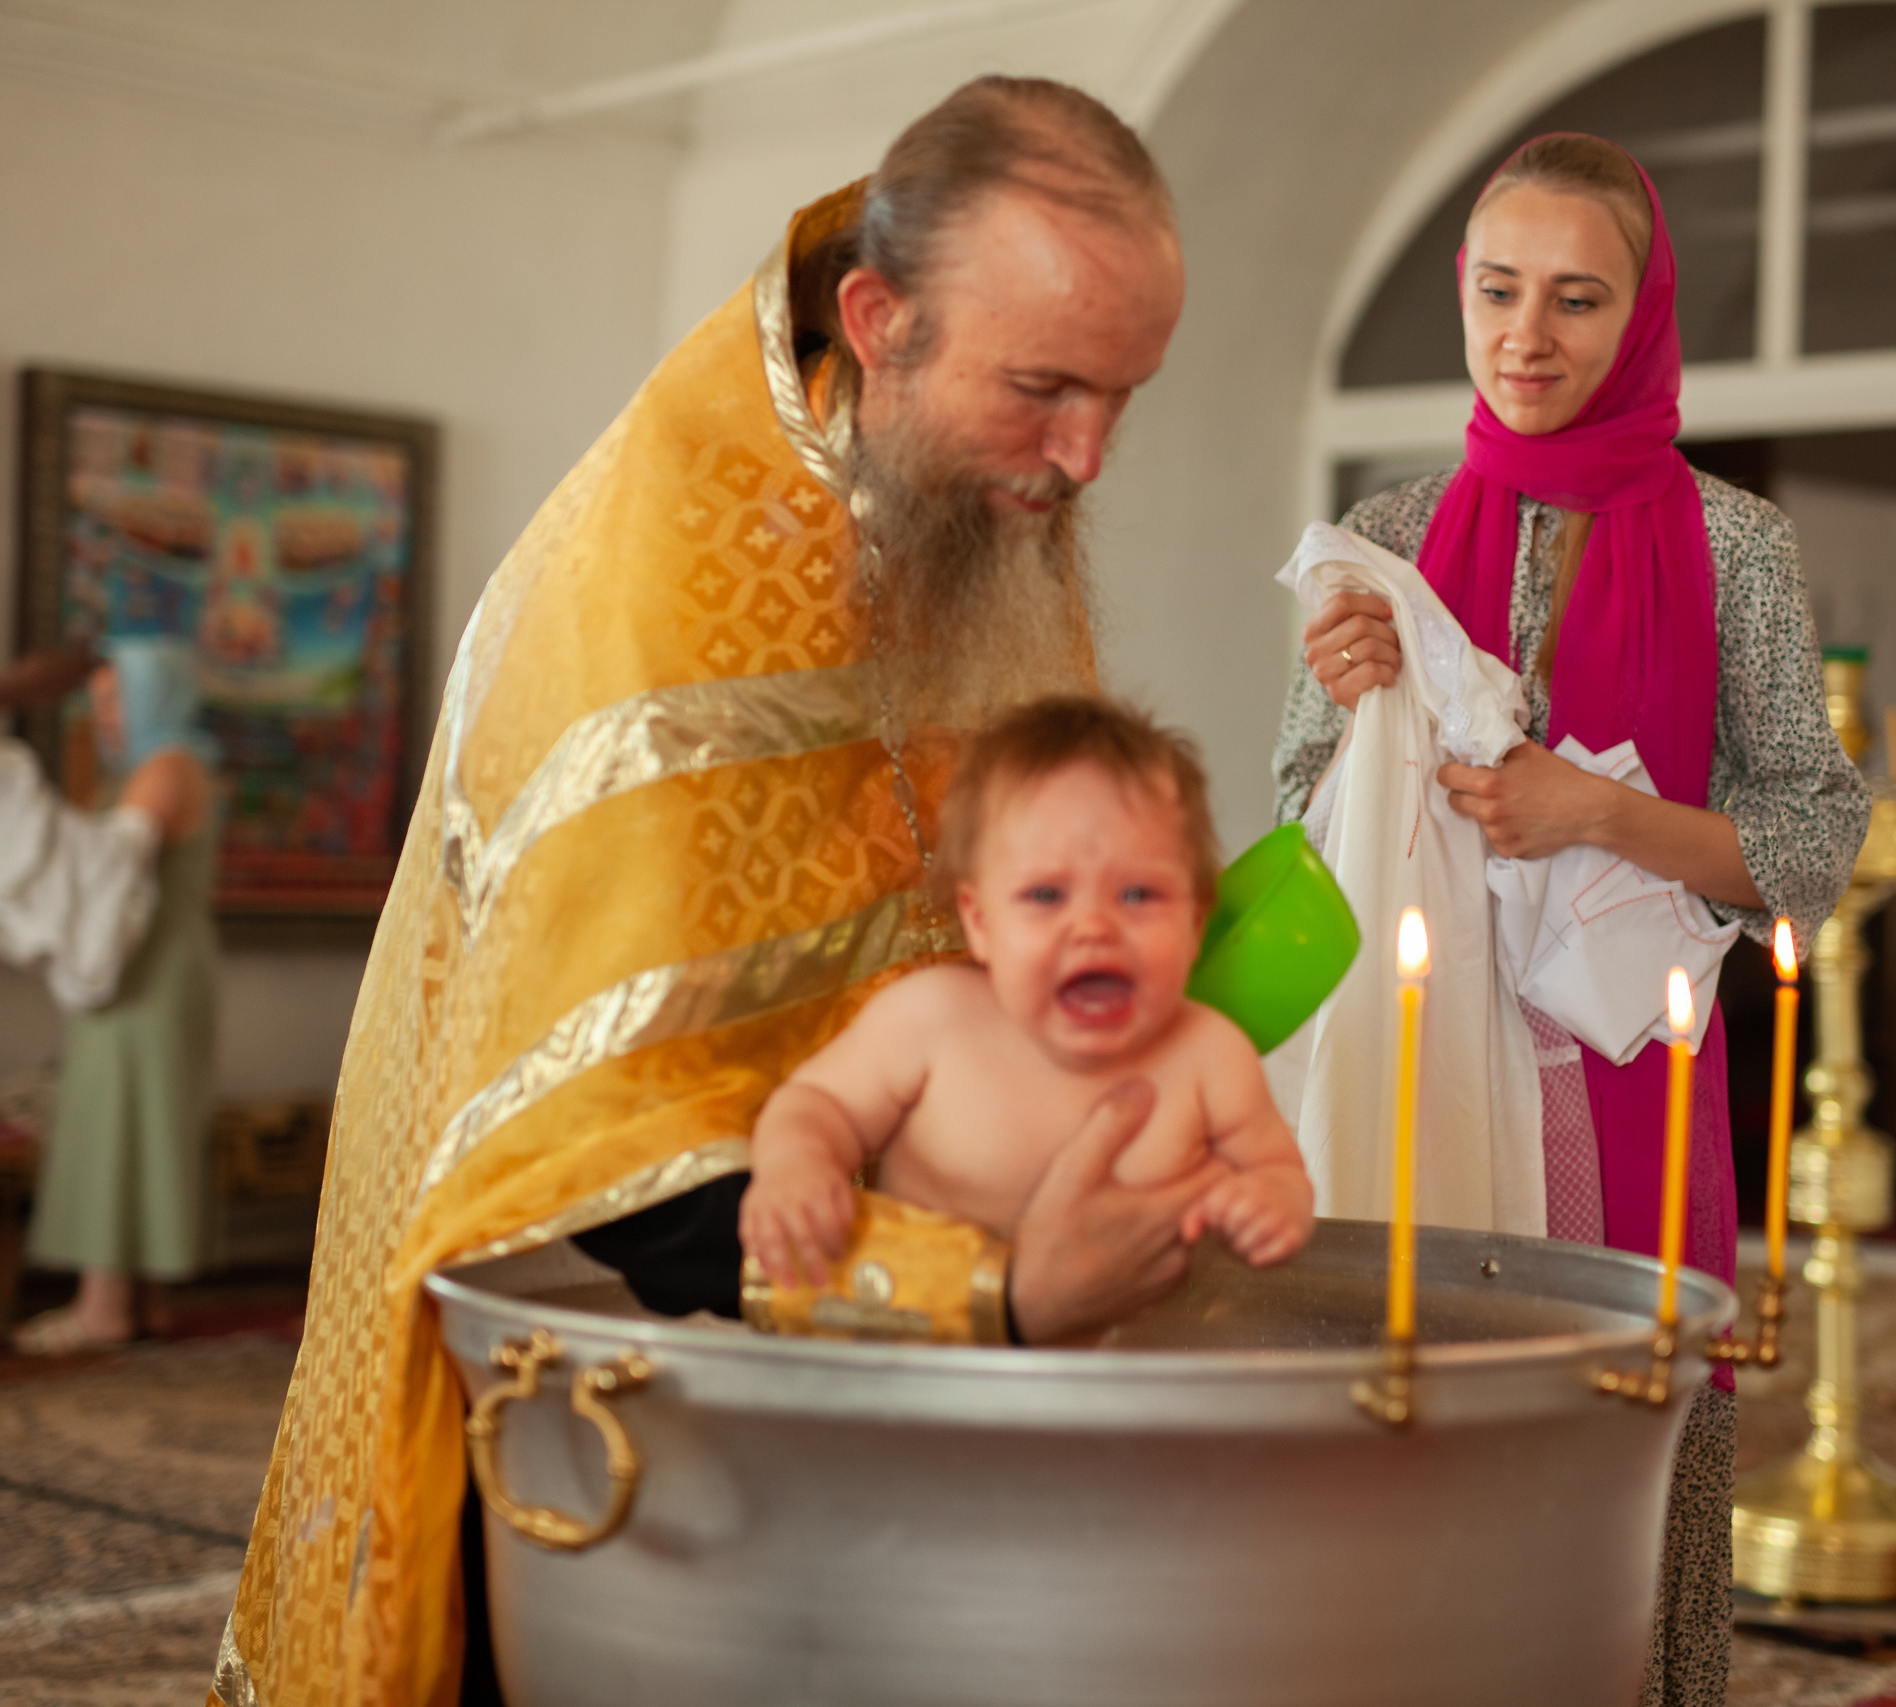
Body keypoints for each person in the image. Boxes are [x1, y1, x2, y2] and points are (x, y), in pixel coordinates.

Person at [218, 78, 1200, 1706]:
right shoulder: (653, 602)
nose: (1084, 455)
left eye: (1121, 394)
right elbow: (617, 1165)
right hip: (607, 1381)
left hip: (870, 1391)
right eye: (1042, 388)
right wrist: (997, 1289)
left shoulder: (956, 512)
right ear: (879, 322)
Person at [1268, 135, 1867, 1706]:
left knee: (1615, 1465)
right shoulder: (1387, 534)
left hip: (1627, 1078)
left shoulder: (1736, 543)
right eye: (1497, 290)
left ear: (1644, 314)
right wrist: (1343, 714)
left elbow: (1815, 836)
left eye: (1578, 298)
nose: (1527, 335)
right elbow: (1292, 819)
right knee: (1405, 1452)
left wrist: (1594, 810)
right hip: (1422, 1066)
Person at [745, 696, 1314, 1292]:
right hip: (942, 1355)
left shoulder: (1209, 1053)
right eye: (1046, 896)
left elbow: (1280, 1171)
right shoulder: (930, 1021)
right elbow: (816, 1105)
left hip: (1139, 1368)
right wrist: (796, 1166)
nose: (1094, 927)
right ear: (980, 921)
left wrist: (1270, 1203)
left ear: (1197, 921)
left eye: (1139, 895)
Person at [14, 637, 220, 1352]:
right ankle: (146, 1301)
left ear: (151, 695)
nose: (103, 715)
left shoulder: (163, 770)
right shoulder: (168, 764)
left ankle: (101, 1306)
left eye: (114, 699)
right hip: (162, 967)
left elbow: (112, 879)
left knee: (118, 1123)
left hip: (143, 972)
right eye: (96, 701)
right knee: (150, 1121)